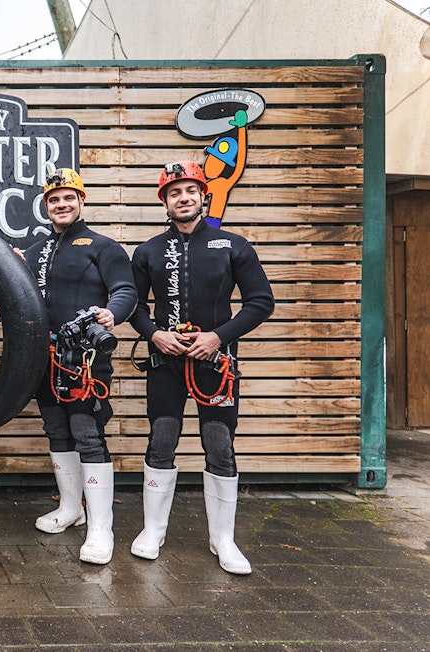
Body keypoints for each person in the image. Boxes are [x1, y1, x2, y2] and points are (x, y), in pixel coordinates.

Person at [129, 161, 274, 575]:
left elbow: (261, 302)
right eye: (174, 192)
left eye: (190, 190)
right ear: (164, 201)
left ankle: (222, 540)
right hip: (165, 363)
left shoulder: (233, 245)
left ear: (203, 195)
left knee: (219, 445)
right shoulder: (148, 251)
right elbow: (134, 305)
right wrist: (155, 334)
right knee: (161, 440)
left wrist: (218, 337)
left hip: (216, 364)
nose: (183, 197)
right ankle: (153, 530)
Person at [22, 168, 137, 566]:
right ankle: (71, 509)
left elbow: (126, 291)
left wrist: (112, 313)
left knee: (87, 433)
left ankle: (101, 528)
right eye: (54, 199)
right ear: (45, 206)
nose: (62, 204)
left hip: (86, 358)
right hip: (43, 358)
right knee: (56, 430)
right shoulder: (34, 251)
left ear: (82, 200)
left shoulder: (104, 247)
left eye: (69, 198)